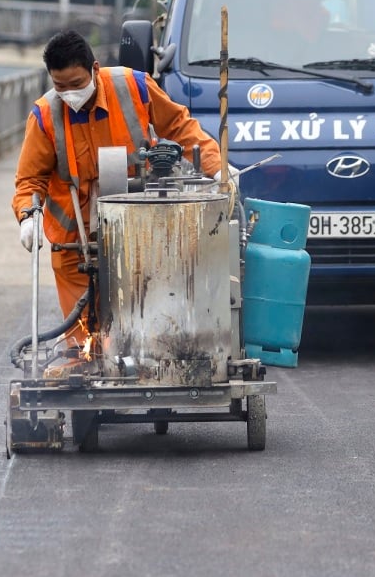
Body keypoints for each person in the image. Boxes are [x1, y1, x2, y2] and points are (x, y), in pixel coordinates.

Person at [12, 30, 223, 353]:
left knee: (145, 305)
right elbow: (30, 179)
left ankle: (150, 356)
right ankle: (84, 366)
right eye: (60, 86)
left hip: (140, 219)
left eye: (76, 83)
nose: (69, 93)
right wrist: (28, 216)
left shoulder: (133, 86)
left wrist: (217, 166)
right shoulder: (45, 114)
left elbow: (179, 126)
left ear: (95, 69)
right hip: (75, 235)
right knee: (84, 332)